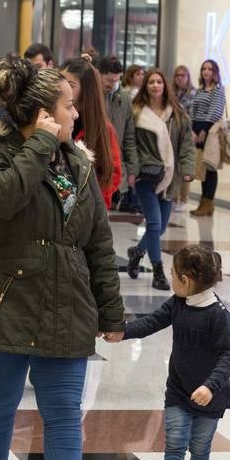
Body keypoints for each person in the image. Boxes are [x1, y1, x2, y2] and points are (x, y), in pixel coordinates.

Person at [0, 56, 125, 460]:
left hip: (65, 300)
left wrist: (111, 309)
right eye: (69, 106)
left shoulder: (78, 162)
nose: (77, 115)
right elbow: (2, 199)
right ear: (43, 114)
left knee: (62, 413)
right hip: (7, 297)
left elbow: (98, 239)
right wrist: (38, 141)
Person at [124, 246, 230, 460]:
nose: (171, 278)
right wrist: (121, 331)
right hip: (178, 390)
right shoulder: (177, 304)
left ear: (185, 280)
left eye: (173, 274)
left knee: (200, 446)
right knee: (175, 443)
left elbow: (229, 355)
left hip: (211, 397)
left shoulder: (218, 315)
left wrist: (210, 386)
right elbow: (151, 322)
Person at [125, 68, 195, 290]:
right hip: (145, 176)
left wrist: (187, 169)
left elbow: (186, 144)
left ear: (165, 86)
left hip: (170, 176)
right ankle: (158, 272)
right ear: (145, 86)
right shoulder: (136, 112)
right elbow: (130, 143)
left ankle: (137, 253)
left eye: (159, 82)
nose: (155, 85)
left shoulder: (177, 114)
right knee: (154, 222)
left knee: (161, 227)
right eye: (151, 82)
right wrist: (132, 169)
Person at [60, 58, 121, 211]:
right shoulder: (50, 119)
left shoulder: (102, 129)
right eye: (60, 82)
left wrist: (94, 206)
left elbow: (111, 174)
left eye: (71, 85)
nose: (62, 89)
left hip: (87, 211)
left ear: (86, 90)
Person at [98, 56, 138, 209]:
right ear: (98, 74)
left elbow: (129, 137)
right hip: (93, 164)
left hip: (114, 167)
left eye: (116, 80)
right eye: (108, 80)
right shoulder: (89, 95)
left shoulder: (124, 99)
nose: (112, 84)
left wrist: (132, 169)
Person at [189, 59, 225, 217]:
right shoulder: (200, 90)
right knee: (201, 167)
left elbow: (215, 111)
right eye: (204, 68)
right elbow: (192, 109)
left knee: (210, 167)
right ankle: (203, 203)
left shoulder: (217, 90)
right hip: (196, 129)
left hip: (209, 131)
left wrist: (204, 130)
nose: (206, 71)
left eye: (210, 69)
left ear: (215, 72)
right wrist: (191, 130)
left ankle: (208, 202)